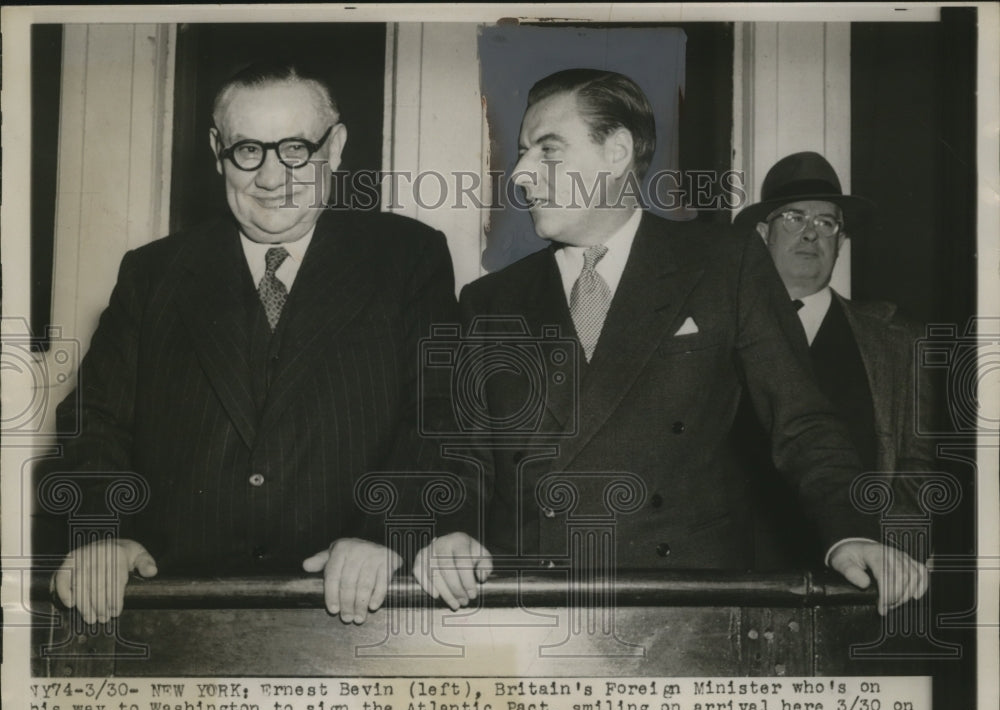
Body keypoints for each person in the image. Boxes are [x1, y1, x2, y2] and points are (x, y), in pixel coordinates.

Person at [417, 68, 926, 614]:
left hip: (684, 602)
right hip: (532, 603)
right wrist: (451, 531)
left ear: (616, 152)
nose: (520, 174)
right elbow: (463, 456)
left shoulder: (721, 263)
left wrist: (852, 532)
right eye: (522, 153)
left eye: (547, 150)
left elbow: (802, 424)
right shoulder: (490, 299)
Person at [39, 61, 467, 626]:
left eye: (295, 149)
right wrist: (101, 534)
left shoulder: (408, 257)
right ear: (218, 148)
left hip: (351, 602)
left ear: (334, 147)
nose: (271, 178)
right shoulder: (153, 273)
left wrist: (387, 534)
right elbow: (94, 424)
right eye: (247, 151)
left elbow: (441, 418)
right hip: (174, 603)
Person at [732, 152, 936, 568]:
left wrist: (889, 558)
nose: (810, 235)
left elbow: (920, 469)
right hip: (740, 578)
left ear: (840, 243)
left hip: (861, 580)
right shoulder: (719, 334)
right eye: (793, 218)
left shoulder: (898, 340)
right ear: (761, 234)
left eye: (826, 223)